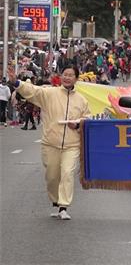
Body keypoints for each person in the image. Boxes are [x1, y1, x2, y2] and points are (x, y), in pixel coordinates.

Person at [7, 65, 91, 220]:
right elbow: (33, 91)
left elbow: (87, 119)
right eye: (65, 74)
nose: (67, 77)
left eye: (70, 75)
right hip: (50, 143)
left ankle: (63, 207)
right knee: (52, 176)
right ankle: (55, 201)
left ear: (76, 79)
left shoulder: (82, 100)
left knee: (67, 173)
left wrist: (78, 124)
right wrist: (16, 82)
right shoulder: (50, 93)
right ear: (61, 76)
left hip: (72, 145)